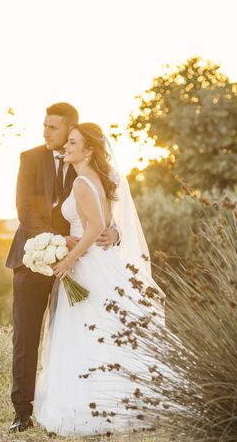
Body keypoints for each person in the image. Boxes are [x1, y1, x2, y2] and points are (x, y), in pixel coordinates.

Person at [33, 123, 169, 436]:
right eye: (67, 142)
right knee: (104, 329)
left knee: (86, 329)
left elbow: (94, 228)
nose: (66, 147)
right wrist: (69, 240)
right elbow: (105, 225)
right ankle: (119, 395)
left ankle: (91, 401)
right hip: (100, 260)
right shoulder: (102, 179)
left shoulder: (83, 182)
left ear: (89, 150)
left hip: (88, 263)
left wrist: (68, 258)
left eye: (72, 142)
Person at [5, 104, 120, 433]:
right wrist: (58, 242)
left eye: (53, 128)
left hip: (79, 264)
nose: (46, 133)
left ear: (71, 130)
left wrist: (115, 232)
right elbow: (25, 210)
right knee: (26, 336)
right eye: (44, 126)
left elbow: (105, 205)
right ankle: (22, 411)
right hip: (33, 259)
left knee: (72, 333)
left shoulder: (82, 160)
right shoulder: (30, 158)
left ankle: (80, 400)